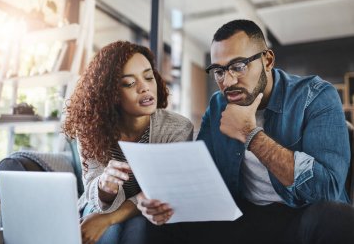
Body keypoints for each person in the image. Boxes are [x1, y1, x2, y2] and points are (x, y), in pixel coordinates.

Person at [137, 19, 354, 244]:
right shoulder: (218, 105)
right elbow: (202, 173)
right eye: (219, 71)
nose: (228, 81)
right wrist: (161, 199)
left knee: (338, 219)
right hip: (243, 215)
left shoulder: (316, 96)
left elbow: (326, 190)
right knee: (158, 223)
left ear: (267, 60)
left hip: (300, 216)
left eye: (238, 66)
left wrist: (250, 134)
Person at [63, 40, 193, 244]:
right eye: (130, 83)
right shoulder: (90, 128)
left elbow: (159, 190)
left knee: (139, 227)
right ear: (110, 94)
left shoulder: (177, 128)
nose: (145, 88)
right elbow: (91, 187)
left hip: (149, 209)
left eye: (149, 77)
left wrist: (108, 219)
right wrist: (104, 188)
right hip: (98, 206)